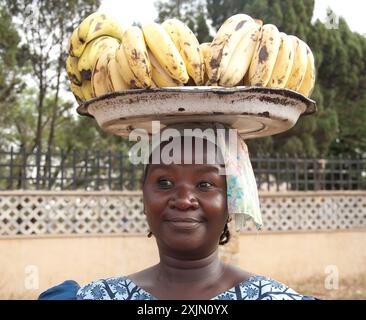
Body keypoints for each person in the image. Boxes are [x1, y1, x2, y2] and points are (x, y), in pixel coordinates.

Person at [38, 123, 317, 300]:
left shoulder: (272, 298)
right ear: (144, 199)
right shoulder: (97, 297)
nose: (183, 200)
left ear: (230, 203)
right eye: (165, 182)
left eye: (206, 184)